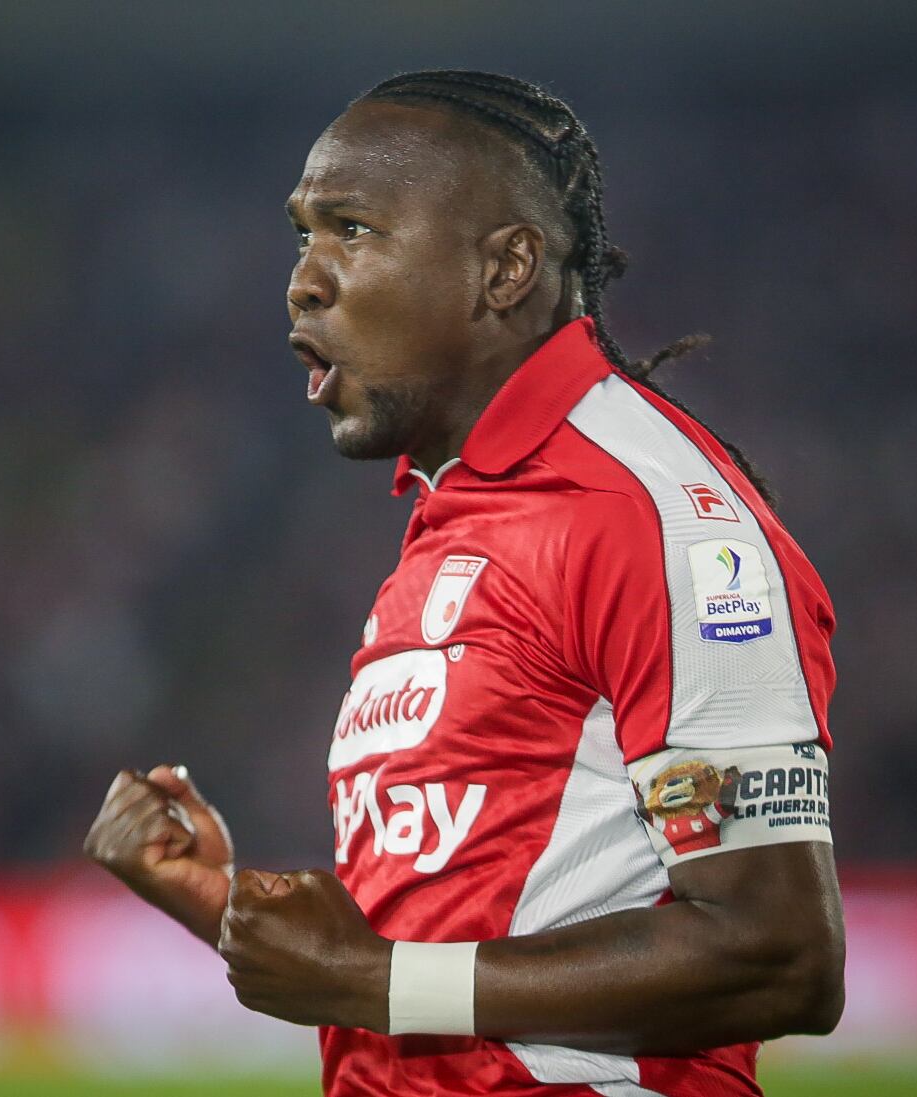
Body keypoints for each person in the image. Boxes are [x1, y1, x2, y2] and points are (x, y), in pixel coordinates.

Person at [85, 69, 844, 1097]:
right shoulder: (454, 518)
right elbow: (476, 934)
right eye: (302, 235)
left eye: (350, 229)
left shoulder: (651, 516)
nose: (303, 280)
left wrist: (371, 976)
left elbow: (779, 950)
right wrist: (229, 904)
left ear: (505, 268)